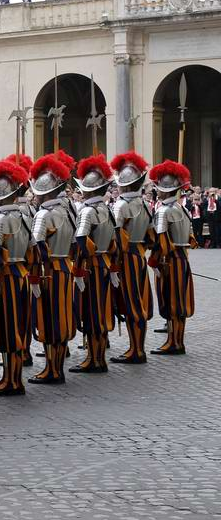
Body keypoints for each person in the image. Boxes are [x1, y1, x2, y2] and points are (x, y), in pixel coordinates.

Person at [0, 159, 32, 396]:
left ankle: (11, 380)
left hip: (6, 279)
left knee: (8, 329)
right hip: (22, 275)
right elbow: (34, 250)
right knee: (19, 328)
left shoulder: (0, 218)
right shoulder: (25, 215)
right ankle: (14, 377)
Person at [27, 153, 76, 385]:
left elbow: (38, 250)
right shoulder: (67, 211)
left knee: (49, 319)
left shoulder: (43, 215)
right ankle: (57, 367)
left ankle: (52, 369)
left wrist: (35, 277)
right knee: (62, 318)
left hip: (49, 272)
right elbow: (77, 244)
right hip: (65, 268)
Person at [69, 155, 117, 373]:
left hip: (91, 267)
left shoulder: (87, 211)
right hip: (105, 263)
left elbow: (80, 241)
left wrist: (79, 268)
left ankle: (94, 358)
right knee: (102, 310)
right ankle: (98, 357)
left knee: (91, 311)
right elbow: (115, 241)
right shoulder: (107, 209)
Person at [147, 160, 195, 355]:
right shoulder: (183, 209)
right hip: (183, 259)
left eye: (159, 188)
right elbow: (191, 238)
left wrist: (154, 260)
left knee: (171, 301)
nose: (157, 192)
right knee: (180, 302)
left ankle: (174, 342)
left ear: (165, 191)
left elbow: (161, 241)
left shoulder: (163, 211)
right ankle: (177, 340)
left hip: (170, 261)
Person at [109, 153, 153, 363]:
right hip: (139, 256)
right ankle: (137, 347)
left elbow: (116, 237)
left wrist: (114, 264)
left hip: (126, 258)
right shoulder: (145, 204)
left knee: (132, 302)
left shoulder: (120, 205)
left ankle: (136, 350)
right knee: (138, 301)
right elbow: (152, 237)